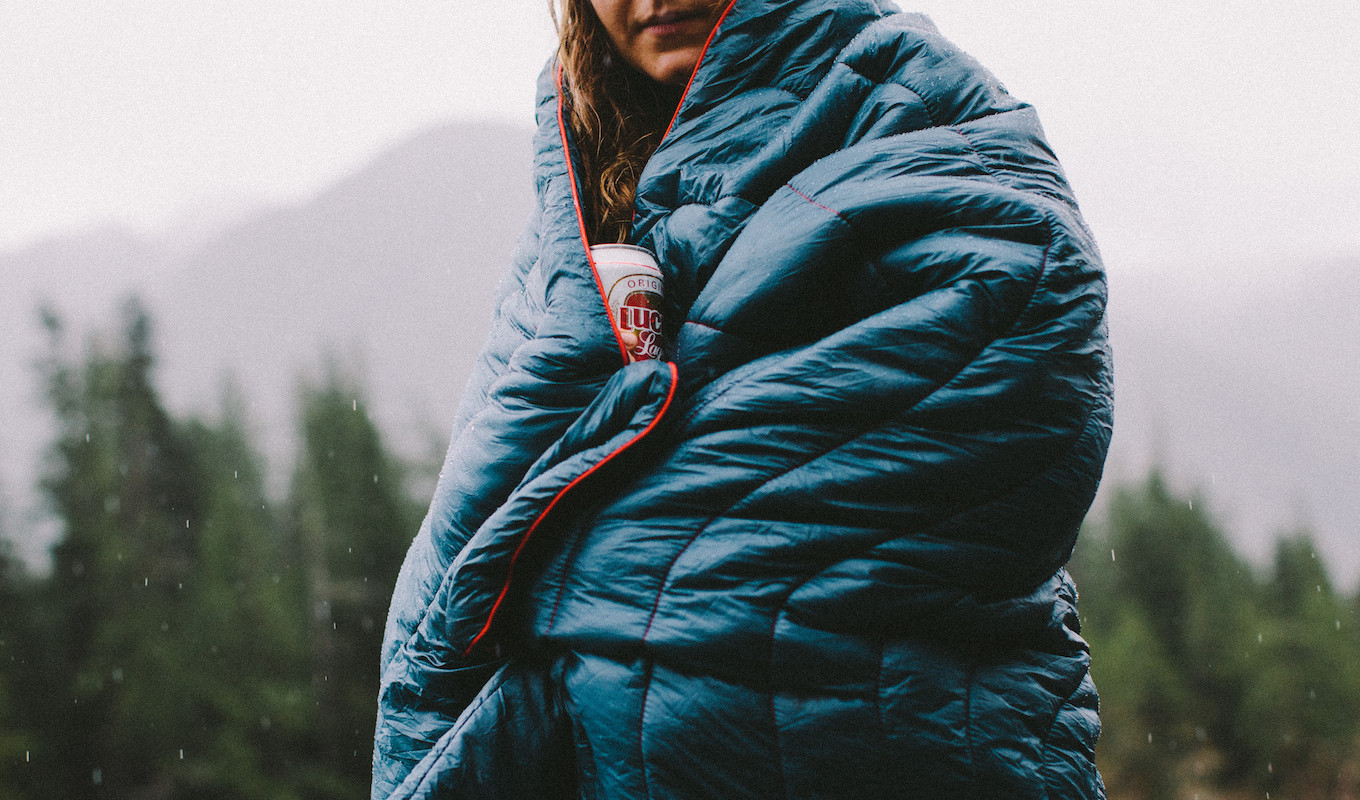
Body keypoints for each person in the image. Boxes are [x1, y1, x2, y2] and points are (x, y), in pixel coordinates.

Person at [373, 0, 1111, 798]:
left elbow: (1017, 366)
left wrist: (578, 577)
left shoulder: (918, 121)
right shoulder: (581, 194)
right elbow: (479, 501)